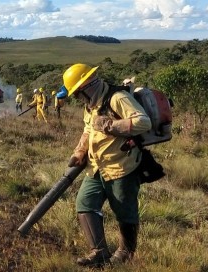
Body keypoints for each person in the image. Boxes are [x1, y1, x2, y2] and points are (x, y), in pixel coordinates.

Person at [63, 63, 151, 267]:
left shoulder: (117, 98)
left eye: (77, 93)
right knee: (85, 204)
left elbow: (143, 122)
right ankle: (99, 251)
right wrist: (79, 151)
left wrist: (110, 125)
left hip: (121, 166)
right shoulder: (91, 104)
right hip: (96, 167)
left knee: (124, 211)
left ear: (87, 86)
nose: (77, 98)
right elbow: (88, 129)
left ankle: (126, 253)